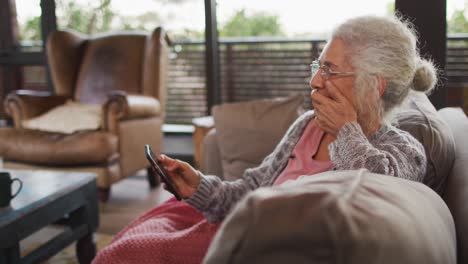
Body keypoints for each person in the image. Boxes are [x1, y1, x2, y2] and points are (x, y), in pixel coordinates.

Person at [93, 15, 437, 263]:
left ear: (374, 86)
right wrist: (197, 186)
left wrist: (347, 129)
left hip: (261, 241)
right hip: (236, 219)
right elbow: (248, 189)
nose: (316, 81)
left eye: (330, 70)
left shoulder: (403, 150)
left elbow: (373, 194)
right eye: (318, 66)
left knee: (129, 254)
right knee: (139, 231)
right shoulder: (308, 126)